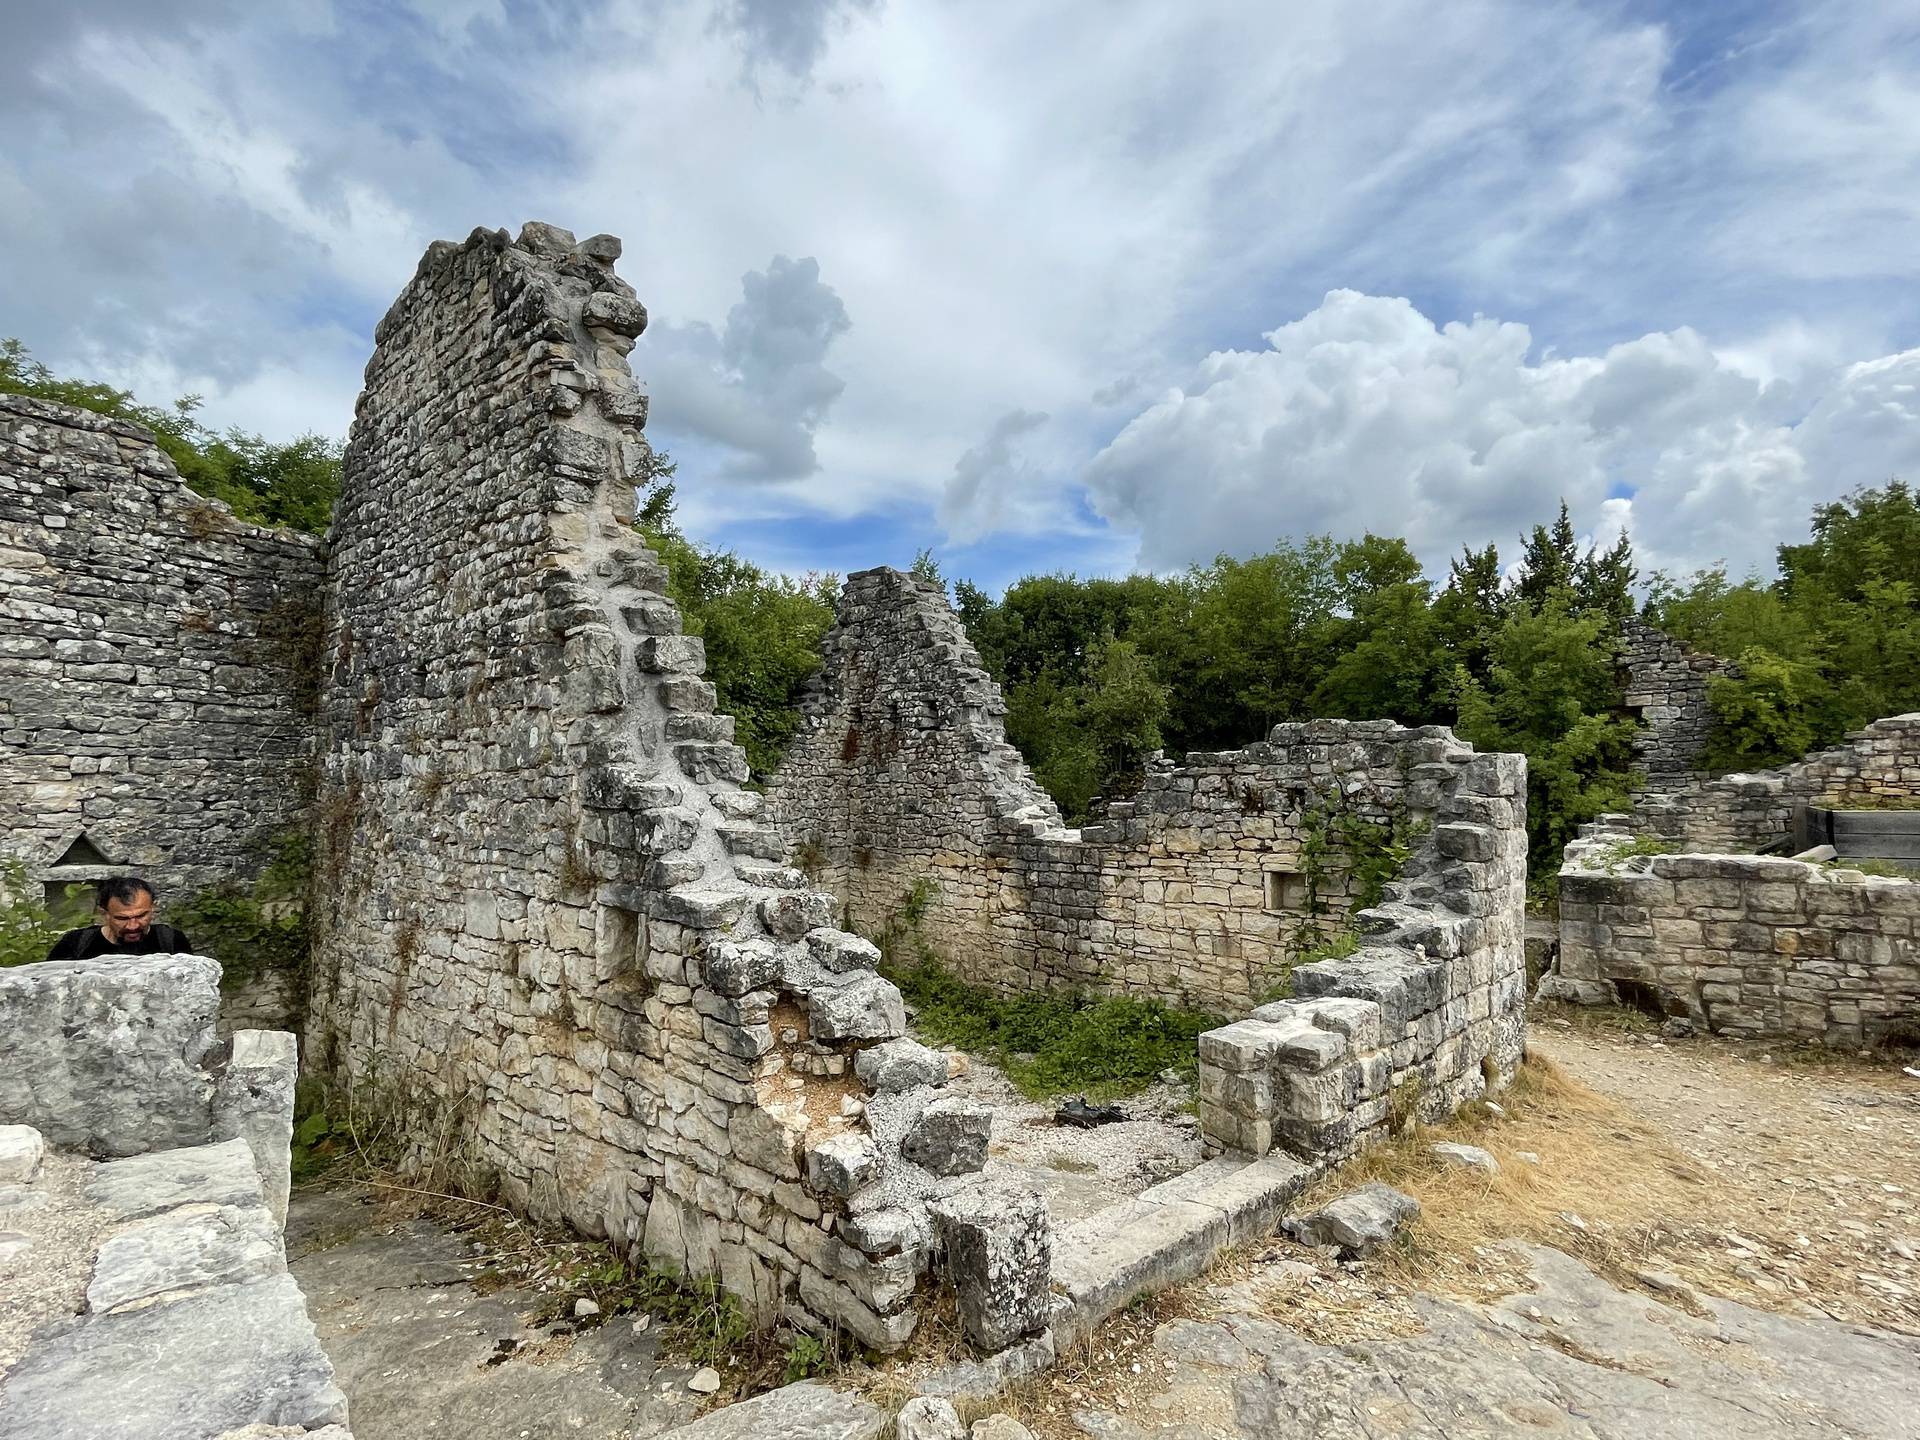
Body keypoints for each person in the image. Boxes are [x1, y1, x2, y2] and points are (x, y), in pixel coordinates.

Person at [45, 876, 193, 961]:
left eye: (141, 916)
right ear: (104, 914)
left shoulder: (171, 941)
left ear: (153, 908)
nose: (133, 926)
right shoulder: (76, 944)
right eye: (122, 918)